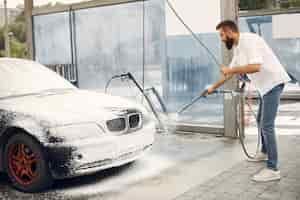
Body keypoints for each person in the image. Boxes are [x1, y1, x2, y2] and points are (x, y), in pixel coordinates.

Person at [207, 20, 291, 182]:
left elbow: (255, 67)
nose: (222, 39)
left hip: (273, 83)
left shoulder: (249, 40)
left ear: (230, 31)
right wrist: (212, 88)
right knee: (261, 121)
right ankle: (265, 152)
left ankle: (273, 168)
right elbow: (228, 74)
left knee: (267, 125)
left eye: (222, 35)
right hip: (265, 87)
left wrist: (231, 69)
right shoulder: (239, 49)